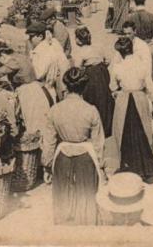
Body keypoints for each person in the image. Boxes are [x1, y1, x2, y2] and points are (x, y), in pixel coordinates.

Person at [42, 67, 105, 226]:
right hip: (86, 158)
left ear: (65, 86)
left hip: (62, 157)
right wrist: (102, 167)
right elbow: (98, 144)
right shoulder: (91, 111)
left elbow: (49, 142)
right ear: (84, 86)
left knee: (62, 200)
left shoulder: (55, 110)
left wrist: (47, 166)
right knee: (86, 200)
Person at [110, 37, 153, 181]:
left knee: (123, 132)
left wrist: (118, 90)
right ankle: (144, 167)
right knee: (143, 130)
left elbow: (113, 86)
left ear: (120, 53)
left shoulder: (118, 67)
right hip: (139, 98)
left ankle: (127, 165)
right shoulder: (142, 65)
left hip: (124, 99)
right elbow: (150, 85)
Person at [71, 27, 114, 136]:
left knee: (92, 99)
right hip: (101, 71)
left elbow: (77, 67)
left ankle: (93, 128)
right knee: (104, 97)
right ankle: (107, 127)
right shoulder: (97, 47)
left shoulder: (80, 52)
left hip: (91, 75)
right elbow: (108, 60)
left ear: (79, 40)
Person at [27, 22, 71, 101]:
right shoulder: (52, 45)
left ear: (40, 36)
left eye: (31, 37)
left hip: (44, 91)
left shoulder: (40, 52)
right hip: (53, 88)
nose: (29, 40)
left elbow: (38, 75)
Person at [127, 0, 153, 80]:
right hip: (149, 42)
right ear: (144, 2)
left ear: (135, 3)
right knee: (151, 64)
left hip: (136, 43)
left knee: (137, 64)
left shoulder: (131, 17)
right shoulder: (151, 16)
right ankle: (150, 83)